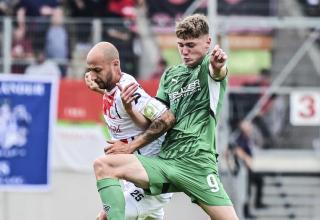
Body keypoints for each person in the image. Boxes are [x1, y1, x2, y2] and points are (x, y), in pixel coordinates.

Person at [91, 14, 239, 220]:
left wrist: (218, 65)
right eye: (181, 45)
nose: (185, 51)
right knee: (103, 165)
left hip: (197, 164)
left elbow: (218, 72)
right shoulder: (171, 76)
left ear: (208, 43)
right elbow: (153, 122)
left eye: (190, 45)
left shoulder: (208, 67)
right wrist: (129, 107)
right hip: (166, 162)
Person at [84, 41, 172, 220]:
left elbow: (165, 118)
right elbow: (127, 110)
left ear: (115, 64)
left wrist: (131, 146)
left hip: (149, 184)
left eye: (97, 70)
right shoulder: (114, 90)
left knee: (105, 217)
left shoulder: (129, 88)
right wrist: (102, 92)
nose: (92, 76)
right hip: (133, 181)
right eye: (90, 70)